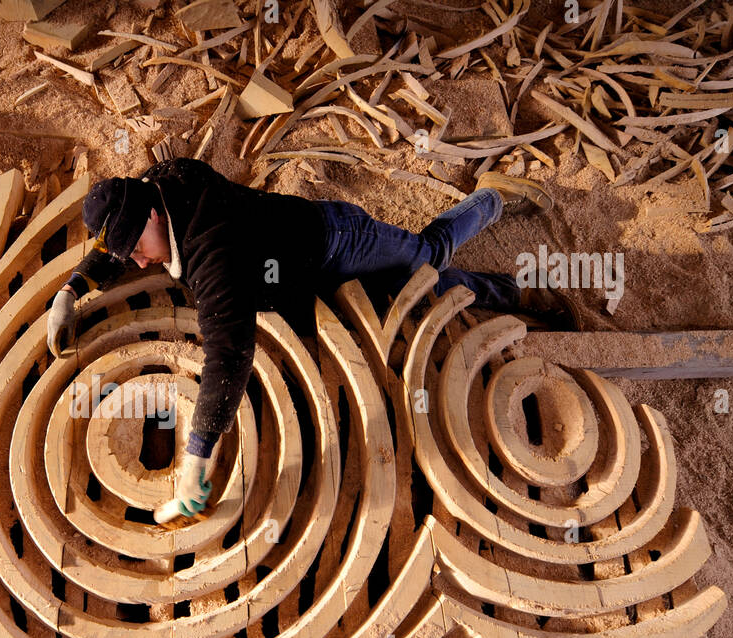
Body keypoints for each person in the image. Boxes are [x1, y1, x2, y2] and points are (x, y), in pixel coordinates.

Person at [46, 156, 563, 520]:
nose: (138, 263)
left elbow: (229, 352)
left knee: (428, 255)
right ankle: (509, 293)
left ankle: (492, 199)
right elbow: (118, 236)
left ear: (155, 215)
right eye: (128, 256)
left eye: (137, 247)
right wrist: (73, 288)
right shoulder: (160, 182)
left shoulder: (212, 252)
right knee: (413, 290)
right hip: (296, 270)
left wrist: (198, 452)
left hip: (336, 238)